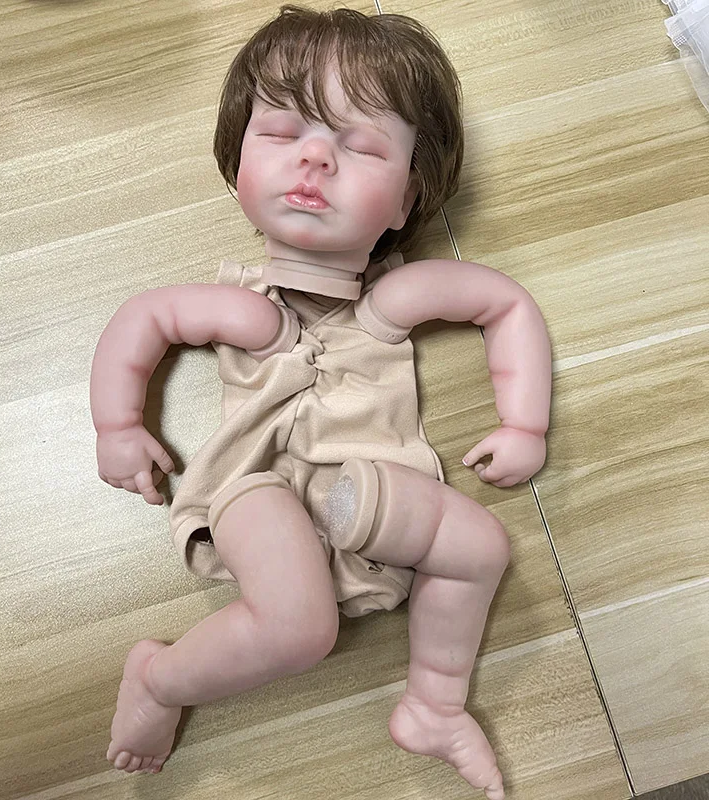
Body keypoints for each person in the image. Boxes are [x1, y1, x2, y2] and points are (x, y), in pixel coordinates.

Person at [89, 6, 551, 798]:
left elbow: (505, 304)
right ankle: (161, 679)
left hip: (369, 505)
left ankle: (436, 705)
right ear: (237, 162)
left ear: (405, 201)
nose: (314, 157)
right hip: (258, 496)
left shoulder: (396, 298)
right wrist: (117, 425)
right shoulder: (242, 310)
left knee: (480, 546)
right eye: (281, 132)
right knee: (301, 628)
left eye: (360, 145)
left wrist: (525, 423)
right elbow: (145, 318)